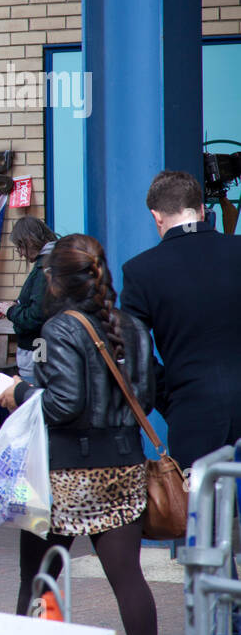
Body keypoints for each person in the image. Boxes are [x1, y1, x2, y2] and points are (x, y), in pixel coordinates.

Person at [1, 234, 158, 635]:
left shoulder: (58, 329)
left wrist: (19, 393)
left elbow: (63, 404)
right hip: (124, 465)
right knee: (129, 580)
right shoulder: (135, 327)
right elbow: (147, 393)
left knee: (38, 577)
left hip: (65, 473)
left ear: (55, 281)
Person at [121, 170, 241, 469]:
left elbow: (132, 351)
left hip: (192, 412)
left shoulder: (140, 272)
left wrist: (169, 398)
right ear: (201, 210)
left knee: (204, 512)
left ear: (156, 217)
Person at [0, 217, 57, 383]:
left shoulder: (45, 268)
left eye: (20, 246)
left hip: (39, 350)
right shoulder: (55, 260)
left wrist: (10, 310)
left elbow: (36, 316)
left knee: (34, 400)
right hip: (46, 349)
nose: (20, 252)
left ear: (30, 241)